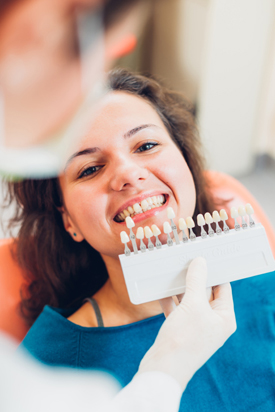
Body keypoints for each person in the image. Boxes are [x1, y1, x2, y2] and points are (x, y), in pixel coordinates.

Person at [7, 68, 275, 412]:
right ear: (69, 220)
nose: (128, 174)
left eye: (146, 145)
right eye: (89, 169)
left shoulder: (262, 282)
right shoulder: (45, 370)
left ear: (187, 163)